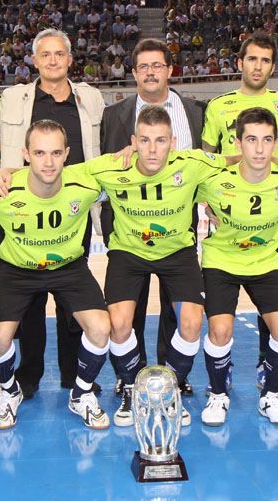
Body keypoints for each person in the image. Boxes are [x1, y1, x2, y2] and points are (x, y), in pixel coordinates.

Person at [87, 105, 227, 426]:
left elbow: (239, 159)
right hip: (128, 251)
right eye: (145, 140)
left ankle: (168, 389)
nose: (152, 149)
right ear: (133, 142)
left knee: (191, 323)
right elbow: (61, 172)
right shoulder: (112, 166)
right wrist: (6, 172)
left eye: (160, 140)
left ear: (172, 143)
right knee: (118, 323)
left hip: (177, 252)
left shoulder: (192, 164)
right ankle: (133, 386)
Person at [0, 28, 104, 399]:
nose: (53, 60)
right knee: (29, 303)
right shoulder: (13, 99)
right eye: (45, 54)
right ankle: (29, 375)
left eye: (59, 54)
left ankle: (73, 374)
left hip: (73, 209)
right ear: (34, 60)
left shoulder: (91, 98)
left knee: (73, 299)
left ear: (70, 59)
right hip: (22, 209)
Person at [0, 120, 112, 430]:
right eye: (39, 153)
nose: (48, 162)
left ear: (67, 154)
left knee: (101, 327)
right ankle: (10, 391)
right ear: (26, 154)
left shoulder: (86, 184)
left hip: (68, 267)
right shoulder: (1, 191)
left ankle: (81, 393)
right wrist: (1, 172)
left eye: (55, 153)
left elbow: (127, 171)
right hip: (17, 270)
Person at [100, 37, 206, 396]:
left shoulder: (194, 110)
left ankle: (171, 374)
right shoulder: (114, 114)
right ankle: (131, 375)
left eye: (157, 65)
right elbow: (105, 166)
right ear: (133, 72)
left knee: (178, 309)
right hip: (127, 226)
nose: (150, 72)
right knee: (128, 309)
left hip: (177, 223)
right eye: (143, 66)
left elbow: (210, 163)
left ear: (169, 70)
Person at [195, 107, 278, 426]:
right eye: (251, 140)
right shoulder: (213, 180)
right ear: (238, 143)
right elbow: (176, 168)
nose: (259, 149)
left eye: (267, 140)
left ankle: (270, 396)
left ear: (275, 143)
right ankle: (218, 395)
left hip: (264, 262)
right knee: (220, 330)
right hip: (221, 260)